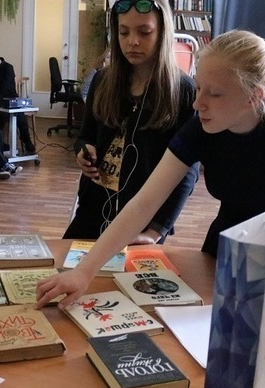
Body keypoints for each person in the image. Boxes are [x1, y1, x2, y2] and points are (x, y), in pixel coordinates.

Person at [36, 29, 265, 308]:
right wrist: (84, 271)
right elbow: (145, 203)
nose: (198, 103)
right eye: (198, 88)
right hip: (224, 248)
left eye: (214, 93)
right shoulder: (201, 128)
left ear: (254, 97)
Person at [64, 0, 199, 244]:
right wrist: (83, 151)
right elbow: (85, 136)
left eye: (144, 32)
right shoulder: (102, 81)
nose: (132, 42)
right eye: (123, 32)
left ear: (163, 32)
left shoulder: (183, 91)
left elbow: (187, 171)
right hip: (92, 210)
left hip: (144, 222)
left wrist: (156, 231)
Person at [0, 44, 37, 155]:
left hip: (8, 99)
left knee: (20, 118)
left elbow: (5, 89)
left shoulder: (8, 68)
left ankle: (27, 141)